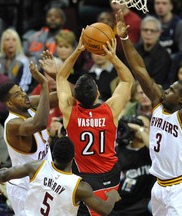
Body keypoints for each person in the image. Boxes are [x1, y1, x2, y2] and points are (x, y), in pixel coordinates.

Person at [116, 9, 182, 215]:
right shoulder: (158, 102)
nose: (166, 90)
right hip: (160, 186)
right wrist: (125, 38)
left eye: (172, 90)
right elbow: (139, 69)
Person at [56, 33, 134, 215]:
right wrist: (113, 57)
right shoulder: (110, 110)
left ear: (74, 96)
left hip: (86, 178)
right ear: (98, 93)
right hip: (112, 173)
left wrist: (78, 50)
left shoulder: (70, 112)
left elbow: (60, 78)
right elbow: (127, 80)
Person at [0, 137, 121, 216]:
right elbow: (104, 210)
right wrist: (112, 198)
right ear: (73, 157)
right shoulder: (80, 187)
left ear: (53, 154)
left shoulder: (35, 166)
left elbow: (4, 174)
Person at [0, 59, 59, 215]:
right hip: (24, 188)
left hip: (45, 181)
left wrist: (55, 76)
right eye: (18, 94)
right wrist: (43, 85)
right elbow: (41, 123)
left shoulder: (30, 103)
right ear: (9, 104)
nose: (24, 94)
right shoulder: (12, 124)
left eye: (22, 90)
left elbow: (64, 95)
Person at [115, 114, 155, 215]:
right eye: (136, 125)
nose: (139, 129)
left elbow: (156, 152)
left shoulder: (151, 153)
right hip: (120, 205)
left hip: (143, 206)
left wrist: (140, 130)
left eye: (144, 126)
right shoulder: (119, 151)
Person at [0, 28, 32, 93]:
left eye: (14, 40)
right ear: (2, 43)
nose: (11, 42)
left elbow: (24, 84)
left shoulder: (23, 61)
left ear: (18, 43)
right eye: (7, 40)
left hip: (18, 95)